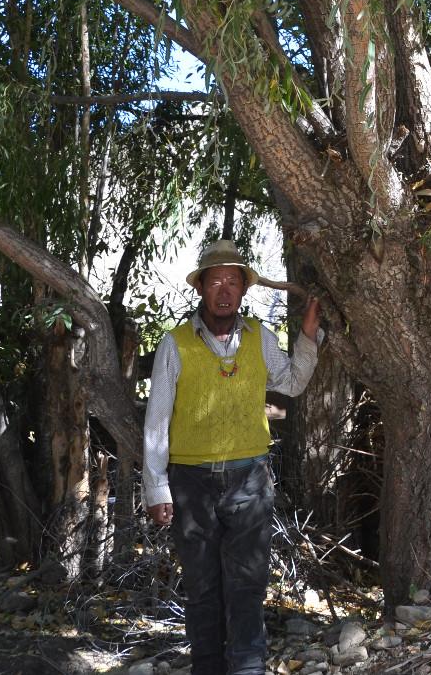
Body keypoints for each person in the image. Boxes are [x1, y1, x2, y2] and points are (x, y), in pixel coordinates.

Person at [143, 239, 321, 675]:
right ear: (201, 288)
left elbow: (293, 382)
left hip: (249, 480)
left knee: (247, 585)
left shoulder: (260, 337)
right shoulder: (176, 344)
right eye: (216, 281)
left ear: (243, 290)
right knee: (203, 589)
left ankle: (247, 669)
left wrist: (309, 334)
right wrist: (156, 486)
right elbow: (157, 420)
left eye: (233, 282)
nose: (224, 291)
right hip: (191, 483)